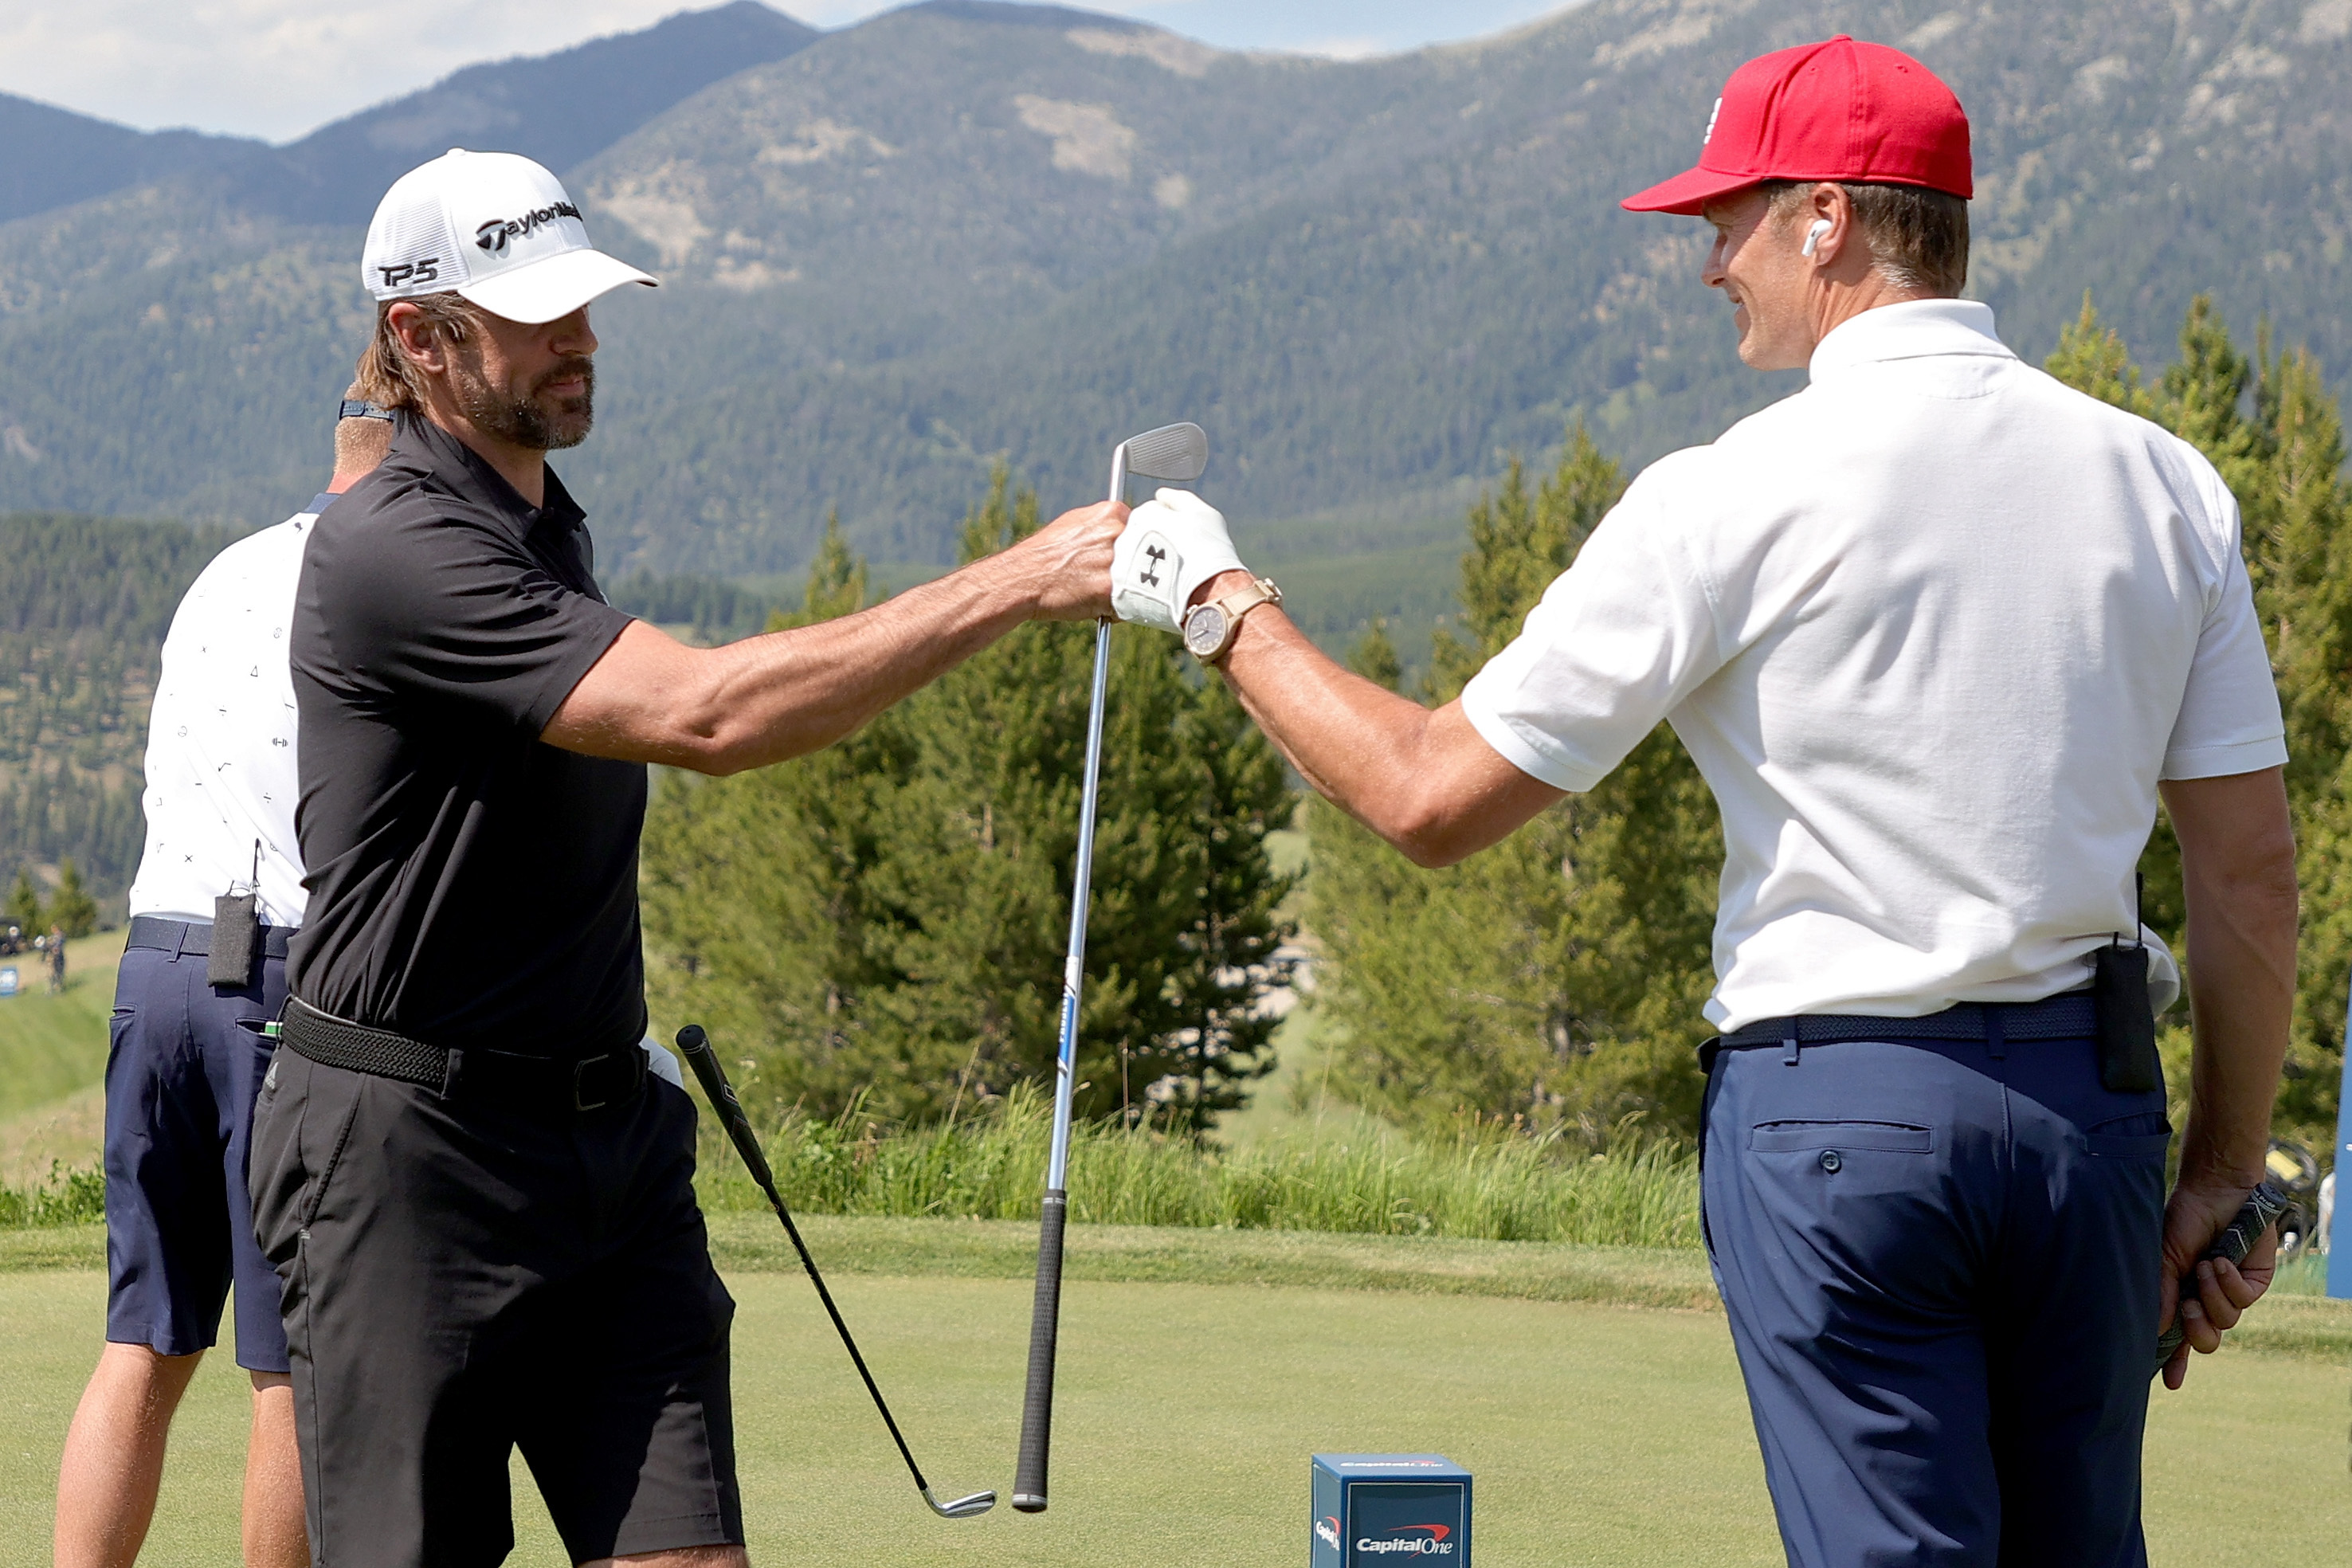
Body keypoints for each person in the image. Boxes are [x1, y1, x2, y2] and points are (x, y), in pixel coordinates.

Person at [1108, 35, 2295, 1568]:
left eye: (1726, 216)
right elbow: (2248, 875)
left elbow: (1427, 795)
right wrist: (2217, 1175)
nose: (1705, 259)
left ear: (1827, 221)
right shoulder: (2167, 483)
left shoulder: (1730, 492)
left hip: (1840, 1124)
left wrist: (1212, 598)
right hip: (2088, 1125)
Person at [249, 148, 1121, 1568]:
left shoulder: (538, 522)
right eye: (535, 313)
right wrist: (1025, 580)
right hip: (412, 1161)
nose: (583, 338)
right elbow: (708, 715)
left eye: (588, 303)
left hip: (605, 1154)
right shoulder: (393, 543)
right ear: (420, 337)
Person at [54, 394, 394, 1568]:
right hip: (281, 978)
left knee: (143, 1341)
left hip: (156, 969)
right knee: (292, 1364)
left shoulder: (225, 569)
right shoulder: (379, 577)